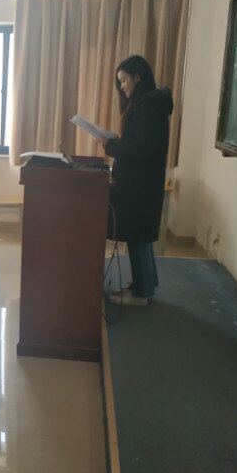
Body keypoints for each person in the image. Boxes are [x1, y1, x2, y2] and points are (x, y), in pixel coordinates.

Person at [97, 55, 172, 306]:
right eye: (119, 82)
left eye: (124, 80)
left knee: (138, 235)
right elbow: (141, 143)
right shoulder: (149, 103)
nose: (121, 87)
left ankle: (141, 293)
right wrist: (116, 143)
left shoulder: (148, 106)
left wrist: (111, 146)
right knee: (140, 236)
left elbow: (142, 148)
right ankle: (146, 285)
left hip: (140, 185)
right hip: (142, 183)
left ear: (137, 77)